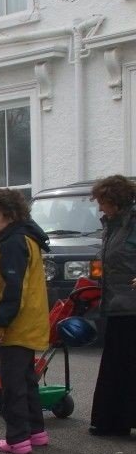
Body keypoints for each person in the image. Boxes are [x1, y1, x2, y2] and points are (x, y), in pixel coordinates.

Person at [0, 188, 50, 454]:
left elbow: (13, 290)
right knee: (27, 380)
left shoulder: (13, 243)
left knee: (12, 385)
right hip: (30, 322)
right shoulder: (26, 238)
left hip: (17, 326)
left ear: (10, 216)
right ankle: (36, 432)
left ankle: (17, 439)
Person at [88, 174, 136, 436]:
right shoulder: (113, 224)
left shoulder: (132, 222)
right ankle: (112, 422)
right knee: (116, 365)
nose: (99, 207)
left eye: (102, 201)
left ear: (115, 201)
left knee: (126, 365)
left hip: (132, 305)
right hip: (117, 303)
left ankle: (117, 421)